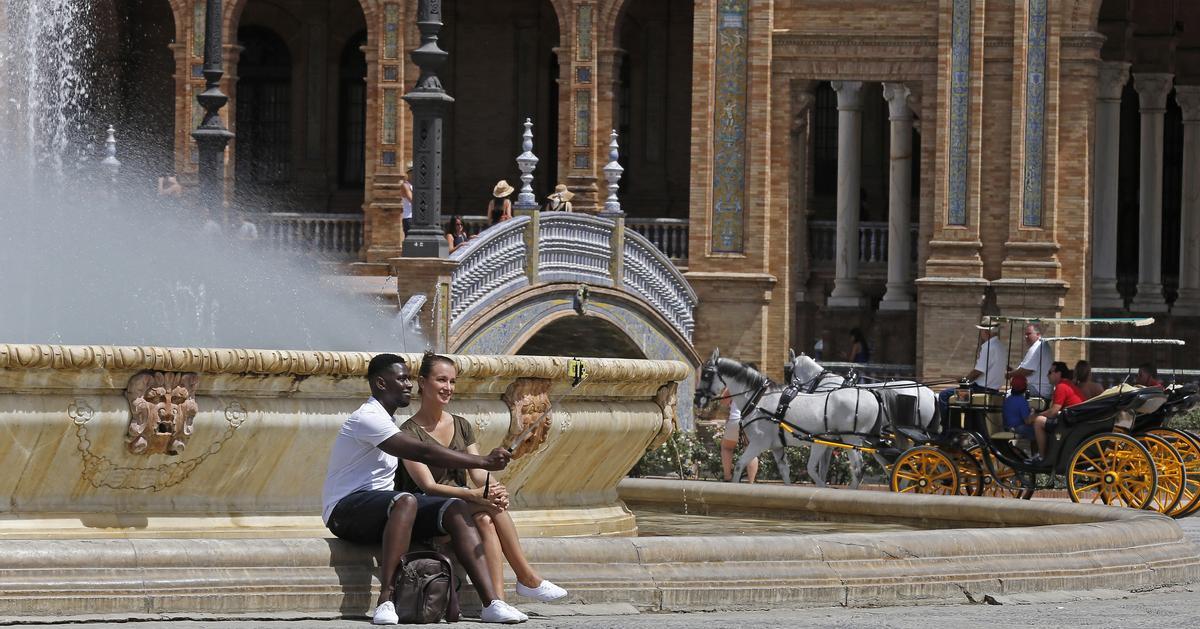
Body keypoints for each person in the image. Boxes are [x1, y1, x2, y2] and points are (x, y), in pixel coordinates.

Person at [321, 353, 527, 624]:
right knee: (405, 501)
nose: (409, 384)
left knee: (455, 508)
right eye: (402, 378)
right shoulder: (368, 418)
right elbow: (424, 452)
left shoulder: (388, 421)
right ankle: (386, 600)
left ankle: (492, 603)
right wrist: (483, 460)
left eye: (409, 378)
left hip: (385, 508)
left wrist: (485, 478)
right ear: (381, 384)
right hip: (345, 510)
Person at [396, 352, 568, 605]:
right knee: (490, 508)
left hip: (463, 506)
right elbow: (427, 486)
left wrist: (494, 488)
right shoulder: (408, 433)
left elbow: (478, 472)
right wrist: (478, 495)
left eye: (452, 381)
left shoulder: (461, 425)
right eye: (441, 380)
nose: (448, 388)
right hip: (429, 511)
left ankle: (497, 601)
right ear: (422, 382)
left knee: (487, 517)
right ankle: (527, 579)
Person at [937, 318, 1007, 431]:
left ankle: (948, 430)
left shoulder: (989, 347)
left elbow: (978, 371)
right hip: (992, 390)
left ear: (986, 332)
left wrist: (964, 379)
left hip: (980, 389)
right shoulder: (1000, 346)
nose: (981, 335)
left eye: (981, 332)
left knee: (945, 395)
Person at [1024, 361, 1083, 463]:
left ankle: (1042, 457)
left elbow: (1054, 412)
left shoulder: (1062, 386)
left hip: (1072, 424)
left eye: (1050, 372)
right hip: (1074, 421)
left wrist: (1035, 416)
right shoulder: (1066, 385)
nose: (1047, 375)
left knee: (1038, 421)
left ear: (1058, 373)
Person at [1007, 323, 1054, 399]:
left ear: (1038, 334)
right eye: (1025, 334)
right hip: (1041, 388)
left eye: (1029, 334)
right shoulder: (1042, 344)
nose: (1026, 337)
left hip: (1037, 388)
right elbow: (1025, 369)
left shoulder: (1037, 346)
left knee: (1007, 396)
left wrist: (1009, 374)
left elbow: (1027, 371)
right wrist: (1013, 371)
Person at [719, 395, 759, 483]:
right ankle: (751, 482)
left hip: (735, 419)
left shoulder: (735, 380)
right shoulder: (761, 381)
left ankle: (727, 477)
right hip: (752, 420)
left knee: (727, 447)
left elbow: (724, 401)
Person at [1001, 374, 1035, 442]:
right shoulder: (1022, 401)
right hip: (1017, 428)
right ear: (1025, 388)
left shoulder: (1007, 399)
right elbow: (1027, 421)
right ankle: (1037, 451)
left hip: (1007, 427)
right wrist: (1032, 412)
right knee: (1036, 430)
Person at [400, 165, 414, 239]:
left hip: (415, 217)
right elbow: (412, 200)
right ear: (409, 173)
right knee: (409, 240)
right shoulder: (405, 185)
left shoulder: (414, 186)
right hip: (409, 217)